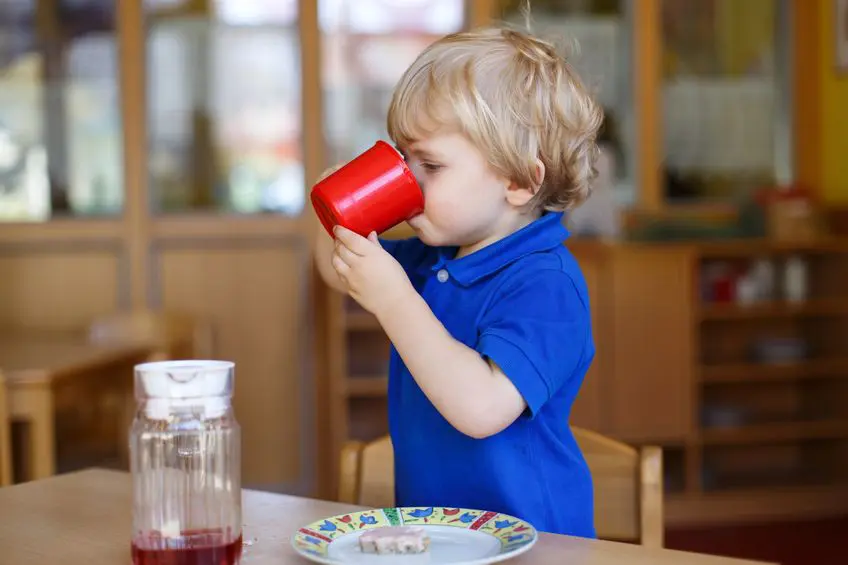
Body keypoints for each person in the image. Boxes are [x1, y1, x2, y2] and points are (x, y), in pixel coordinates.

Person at [313, 22, 603, 537]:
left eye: (431, 164)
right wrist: (340, 205)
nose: (410, 180)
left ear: (518, 180)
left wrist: (396, 300)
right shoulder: (433, 256)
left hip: (535, 542)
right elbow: (334, 267)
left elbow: (481, 407)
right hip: (442, 537)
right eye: (404, 158)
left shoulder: (547, 284)